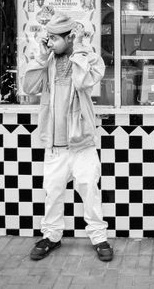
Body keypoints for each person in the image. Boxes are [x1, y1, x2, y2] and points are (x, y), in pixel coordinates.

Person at [22, 13, 113, 262]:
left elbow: (84, 82)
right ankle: (51, 236)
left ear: (69, 36)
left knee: (90, 192)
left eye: (53, 38)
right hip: (54, 144)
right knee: (52, 192)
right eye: (48, 37)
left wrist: (80, 49)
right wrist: (40, 55)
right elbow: (29, 88)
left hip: (82, 143)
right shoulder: (47, 60)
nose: (49, 42)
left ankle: (98, 237)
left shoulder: (89, 58)